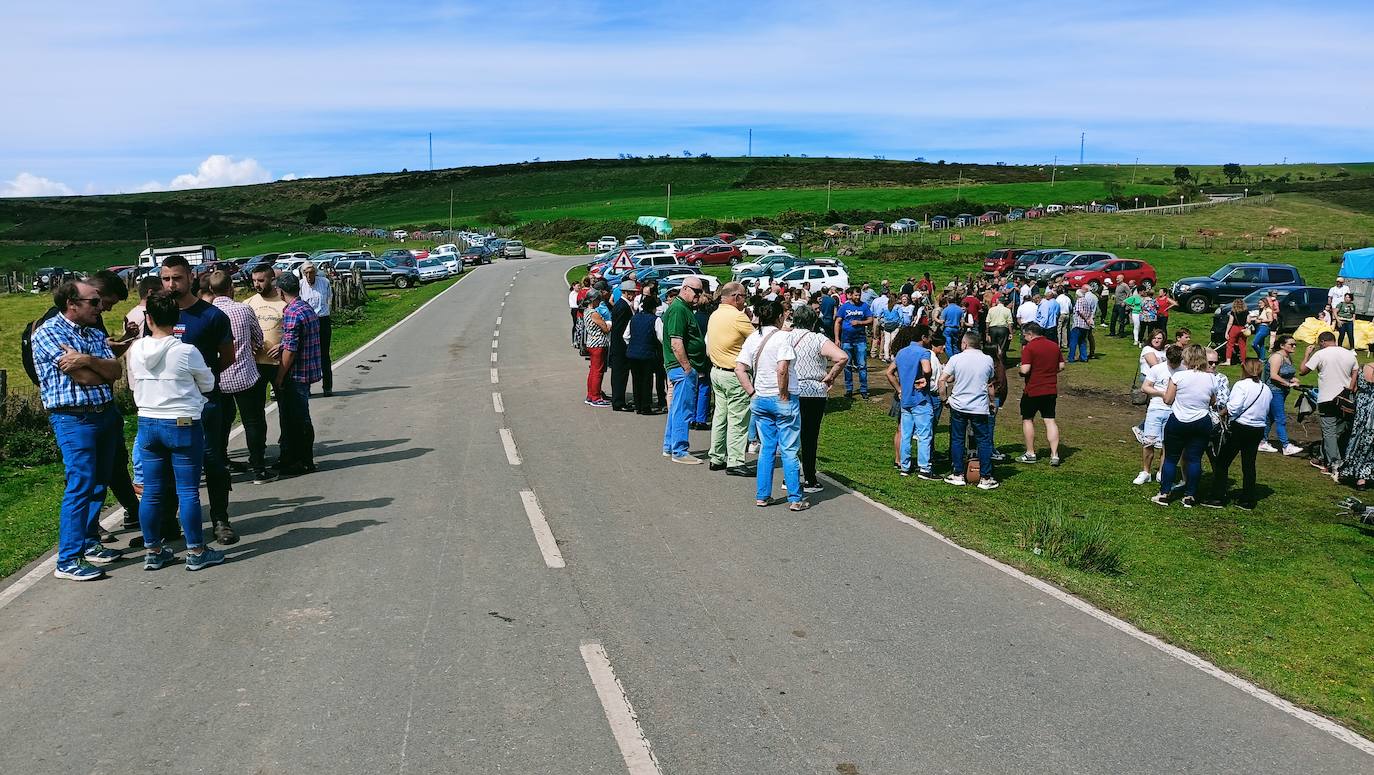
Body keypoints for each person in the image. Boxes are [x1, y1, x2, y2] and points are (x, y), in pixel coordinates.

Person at [31, 280, 128, 580]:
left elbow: (115, 371)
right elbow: (86, 379)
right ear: (72, 303)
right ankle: (68, 559)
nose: (100, 307)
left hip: (104, 414)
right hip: (74, 418)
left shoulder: (94, 332)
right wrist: (98, 368)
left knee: (98, 481)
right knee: (80, 484)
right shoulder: (48, 334)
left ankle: (89, 542)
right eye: (94, 302)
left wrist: (86, 359)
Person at [128, 290, 228, 571]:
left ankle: (154, 550)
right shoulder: (185, 351)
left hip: (148, 422)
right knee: (188, 490)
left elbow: (133, 383)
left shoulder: (136, 350)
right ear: (176, 319)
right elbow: (208, 383)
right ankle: (196, 550)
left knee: (152, 491)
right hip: (181, 422)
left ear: (148, 320)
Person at [160, 256, 238, 544]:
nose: (171, 284)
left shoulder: (212, 316)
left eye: (177, 278)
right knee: (168, 464)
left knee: (212, 460)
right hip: (168, 406)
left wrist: (200, 379)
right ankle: (168, 522)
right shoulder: (157, 314)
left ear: (191, 277)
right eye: (166, 278)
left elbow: (227, 357)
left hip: (205, 403)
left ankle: (220, 520)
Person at [735, 300, 806, 510]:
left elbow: (740, 369)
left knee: (767, 448)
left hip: (761, 398)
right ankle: (795, 498)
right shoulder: (784, 338)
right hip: (782, 398)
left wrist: (752, 392)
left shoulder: (752, 339)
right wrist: (783, 394)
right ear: (779, 317)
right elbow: (782, 368)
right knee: (789, 449)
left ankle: (762, 495)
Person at [205, 270, 273, 483]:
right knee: (253, 421)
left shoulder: (206, 313)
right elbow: (258, 338)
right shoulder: (243, 310)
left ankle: (221, 459)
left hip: (218, 376)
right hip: (244, 373)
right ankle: (259, 467)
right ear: (231, 288)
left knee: (221, 423)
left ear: (210, 290)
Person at [788, 305, 847, 492]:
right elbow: (842, 357)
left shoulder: (785, 338)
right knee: (810, 436)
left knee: (791, 435)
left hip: (791, 389)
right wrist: (830, 376)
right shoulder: (817, 339)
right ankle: (810, 478)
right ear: (813, 321)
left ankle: (790, 476)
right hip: (813, 390)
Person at [1152, 345, 1218, 507]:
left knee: (1170, 458)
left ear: (1186, 358)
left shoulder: (1179, 377)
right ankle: (1190, 495)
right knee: (1195, 459)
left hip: (1178, 420)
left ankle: (1164, 493)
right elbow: (1213, 401)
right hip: (1201, 421)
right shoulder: (1211, 378)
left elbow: (1167, 400)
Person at [1202, 359, 1270, 510]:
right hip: (1258, 428)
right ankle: (1248, 499)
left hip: (1241, 427)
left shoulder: (1241, 385)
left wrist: (1221, 413)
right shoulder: (1265, 388)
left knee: (1222, 461)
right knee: (1249, 464)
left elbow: (1233, 407)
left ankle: (1218, 496)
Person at [273, 272, 322, 475]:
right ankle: (302, 458)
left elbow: (291, 350)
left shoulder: (292, 312)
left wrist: (279, 376)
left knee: (298, 418)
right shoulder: (305, 307)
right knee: (300, 416)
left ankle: (302, 460)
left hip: (297, 373)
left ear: (281, 291)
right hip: (308, 370)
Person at [244, 265, 287, 483]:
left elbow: (294, 332)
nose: (257, 284)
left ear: (272, 279)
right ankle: (258, 456)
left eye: (261, 280)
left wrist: (283, 347)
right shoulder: (248, 304)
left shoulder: (284, 303)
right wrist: (249, 343)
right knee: (255, 414)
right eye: (254, 280)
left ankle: (287, 451)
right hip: (255, 365)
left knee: (287, 410)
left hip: (281, 364)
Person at [707, 282, 756, 475]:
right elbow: (756, 341)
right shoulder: (738, 317)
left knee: (720, 415)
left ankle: (717, 456)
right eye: (744, 297)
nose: (745, 300)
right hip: (734, 373)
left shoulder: (715, 314)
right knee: (738, 418)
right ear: (736, 297)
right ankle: (735, 461)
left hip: (717, 371)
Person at [941, 331, 998, 489]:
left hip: (959, 404)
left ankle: (958, 473)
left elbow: (942, 380)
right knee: (983, 441)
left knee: (958, 439)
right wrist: (992, 402)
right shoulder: (987, 360)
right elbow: (989, 384)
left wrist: (944, 398)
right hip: (979, 406)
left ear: (964, 344)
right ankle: (985, 477)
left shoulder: (956, 359)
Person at [662, 277, 709, 463]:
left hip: (680, 367)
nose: (698, 295)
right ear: (685, 289)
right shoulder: (679, 309)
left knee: (676, 408)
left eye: (700, 292)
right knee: (683, 409)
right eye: (696, 291)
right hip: (682, 368)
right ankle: (679, 450)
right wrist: (688, 367)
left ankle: (669, 445)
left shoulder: (683, 308)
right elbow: (676, 342)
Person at [1300, 331, 1358, 478]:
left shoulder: (1321, 354)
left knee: (1329, 432)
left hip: (1327, 398)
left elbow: (1303, 371)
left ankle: (1335, 463)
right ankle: (1325, 460)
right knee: (1340, 430)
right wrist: (1351, 386)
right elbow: (1355, 370)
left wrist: (1307, 354)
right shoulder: (1349, 354)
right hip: (1346, 398)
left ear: (1322, 342)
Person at [888, 325, 934, 477]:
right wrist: (926, 377)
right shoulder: (924, 352)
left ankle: (905, 466)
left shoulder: (901, 352)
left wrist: (899, 389)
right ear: (923, 337)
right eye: (929, 336)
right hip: (920, 399)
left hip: (905, 399)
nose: (930, 339)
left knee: (906, 434)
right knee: (924, 434)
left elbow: (889, 372)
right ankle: (924, 468)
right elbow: (926, 369)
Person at [1017, 322, 1065, 465]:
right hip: (1050, 389)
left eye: (1025, 335)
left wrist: (1020, 371)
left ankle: (1030, 453)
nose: (1024, 338)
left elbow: (1025, 370)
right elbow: (1061, 366)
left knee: (1028, 419)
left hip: (1033, 389)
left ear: (1030, 334)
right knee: (1050, 420)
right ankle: (1055, 455)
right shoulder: (1054, 345)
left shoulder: (1029, 348)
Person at [1258, 335, 1304, 456]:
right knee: (1280, 418)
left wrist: (1294, 379)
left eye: (1295, 344)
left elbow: (1285, 373)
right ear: (1282, 345)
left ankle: (1262, 442)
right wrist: (1288, 384)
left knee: (1270, 417)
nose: (1294, 346)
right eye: (1291, 344)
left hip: (1282, 391)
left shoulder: (1287, 357)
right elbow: (1273, 375)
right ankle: (1286, 446)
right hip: (1274, 391)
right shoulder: (1277, 357)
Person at [298, 261, 334, 396]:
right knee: (306, 355)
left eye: (311, 272)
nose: (309, 275)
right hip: (307, 322)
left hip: (322, 320)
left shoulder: (324, 282)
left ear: (315, 272)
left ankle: (328, 387)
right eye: (306, 273)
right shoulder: (301, 285)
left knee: (324, 355)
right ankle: (306, 388)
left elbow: (329, 298)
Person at [626, 293, 661, 417]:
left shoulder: (634, 318)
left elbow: (626, 336)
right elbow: (661, 338)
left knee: (636, 380)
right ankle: (646, 406)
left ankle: (638, 405)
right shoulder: (655, 319)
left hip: (633, 353)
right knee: (647, 380)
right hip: (648, 353)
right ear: (653, 308)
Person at [835, 287, 873, 398]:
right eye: (856, 295)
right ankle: (849, 389)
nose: (858, 297)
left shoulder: (864, 306)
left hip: (860, 340)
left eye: (859, 295)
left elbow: (870, 319)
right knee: (847, 365)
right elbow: (837, 322)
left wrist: (860, 322)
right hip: (846, 340)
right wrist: (837, 339)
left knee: (862, 365)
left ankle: (864, 389)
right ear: (850, 295)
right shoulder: (844, 307)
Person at [1342, 358, 1374, 489]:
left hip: (1361, 407)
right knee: (1369, 442)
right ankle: (1363, 477)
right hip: (1372, 410)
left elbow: (1354, 388)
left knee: (1356, 438)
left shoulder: (1362, 367)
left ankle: (1350, 471)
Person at [608, 280, 637, 412]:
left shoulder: (621, 305)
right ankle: (618, 402)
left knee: (620, 375)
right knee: (620, 376)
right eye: (632, 293)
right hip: (620, 347)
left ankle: (619, 400)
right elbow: (621, 329)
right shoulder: (623, 307)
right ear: (626, 293)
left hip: (618, 346)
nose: (634, 295)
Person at [582, 291, 611, 407]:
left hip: (591, 343)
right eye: (598, 300)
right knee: (598, 372)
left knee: (593, 370)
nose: (599, 302)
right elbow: (605, 329)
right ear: (594, 300)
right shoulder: (594, 313)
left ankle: (590, 395)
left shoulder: (586, 311)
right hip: (598, 343)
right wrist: (609, 323)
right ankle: (596, 397)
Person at [1067, 288, 1096, 363]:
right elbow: (1090, 312)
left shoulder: (1079, 301)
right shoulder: (1086, 301)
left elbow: (1080, 311)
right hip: (1085, 326)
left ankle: (1071, 358)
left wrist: (1086, 319)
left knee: (1073, 342)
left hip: (1078, 324)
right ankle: (1084, 357)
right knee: (1082, 342)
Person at [1223, 299, 1249, 365]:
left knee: (1230, 344)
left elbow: (1230, 322)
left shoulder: (1233, 312)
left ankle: (1228, 360)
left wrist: (1226, 332)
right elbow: (1248, 321)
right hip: (1243, 328)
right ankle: (1243, 361)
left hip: (1234, 328)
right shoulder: (1246, 312)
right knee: (1242, 346)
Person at [1252, 292, 1276, 361]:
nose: (1259, 305)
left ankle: (1260, 356)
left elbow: (1270, 320)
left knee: (1254, 344)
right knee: (1261, 344)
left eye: (1261, 303)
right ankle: (1262, 359)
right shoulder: (1262, 310)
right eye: (1259, 303)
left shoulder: (1268, 310)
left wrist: (1260, 321)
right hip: (1259, 328)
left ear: (1265, 303)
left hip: (1264, 328)